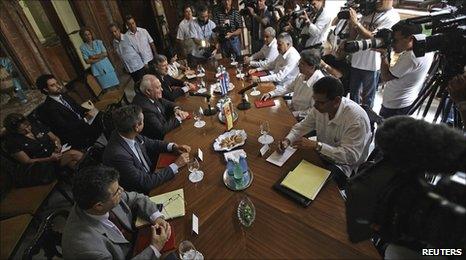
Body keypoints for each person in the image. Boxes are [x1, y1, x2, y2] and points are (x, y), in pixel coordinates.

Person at [278, 76, 371, 188]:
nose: (315, 106)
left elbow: (350, 156)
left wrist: (318, 146)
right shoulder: (320, 107)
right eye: (314, 100)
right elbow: (302, 126)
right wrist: (288, 140)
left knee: (310, 187)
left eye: (320, 102)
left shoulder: (356, 119)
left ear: (336, 101)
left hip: (343, 166)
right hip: (323, 154)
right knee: (288, 173)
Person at [62, 165, 171, 259]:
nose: (122, 190)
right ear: (99, 206)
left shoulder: (101, 197)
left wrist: (157, 217)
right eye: (117, 191)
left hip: (136, 240)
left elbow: (137, 198)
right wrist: (155, 248)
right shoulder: (86, 249)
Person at [102, 105, 190, 194]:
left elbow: (152, 143)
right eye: (143, 121)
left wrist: (173, 147)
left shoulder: (126, 132)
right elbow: (145, 182)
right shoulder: (118, 155)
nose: (145, 122)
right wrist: (176, 165)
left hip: (152, 173)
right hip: (144, 191)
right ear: (137, 126)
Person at [3, 113, 83, 187]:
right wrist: (49, 159)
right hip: (43, 165)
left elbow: (55, 138)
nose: (28, 130)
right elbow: (27, 161)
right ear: (15, 131)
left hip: (57, 154)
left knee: (73, 162)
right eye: (23, 130)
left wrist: (57, 145)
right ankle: (90, 175)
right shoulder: (12, 142)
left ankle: (84, 181)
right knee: (73, 154)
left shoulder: (35, 125)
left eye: (28, 126)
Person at [376, 21, 434, 119]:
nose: (392, 44)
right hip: (404, 102)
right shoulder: (425, 49)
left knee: (386, 132)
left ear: (410, 38)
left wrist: (384, 54)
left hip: (396, 106)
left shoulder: (411, 57)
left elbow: (385, 76)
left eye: (395, 40)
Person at [348, 0, 400, 108]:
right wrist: (352, 23)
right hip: (356, 61)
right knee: (353, 97)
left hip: (371, 65)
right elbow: (353, 35)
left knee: (367, 100)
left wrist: (356, 24)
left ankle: (368, 123)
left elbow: (376, 39)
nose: (378, 1)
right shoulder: (368, 11)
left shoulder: (392, 16)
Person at [36, 74, 103, 150]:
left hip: (83, 123)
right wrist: (85, 120)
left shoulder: (64, 95)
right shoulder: (49, 107)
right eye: (53, 85)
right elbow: (65, 127)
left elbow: (78, 108)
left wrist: (90, 110)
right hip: (76, 133)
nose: (58, 86)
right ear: (46, 89)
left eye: (57, 83)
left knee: (104, 116)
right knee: (103, 122)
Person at [261, 49, 324, 119]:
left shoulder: (320, 83)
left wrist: (293, 114)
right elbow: (288, 88)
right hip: (292, 108)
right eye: (299, 62)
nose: (298, 65)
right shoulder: (302, 74)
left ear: (312, 67)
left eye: (302, 64)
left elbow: (313, 111)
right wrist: (271, 94)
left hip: (302, 118)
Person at [132, 75, 189, 140]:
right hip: (160, 139)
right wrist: (179, 117)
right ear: (148, 91)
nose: (162, 89)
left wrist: (177, 110)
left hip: (168, 127)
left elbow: (168, 103)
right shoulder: (145, 107)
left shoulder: (151, 95)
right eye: (158, 87)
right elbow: (161, 130)